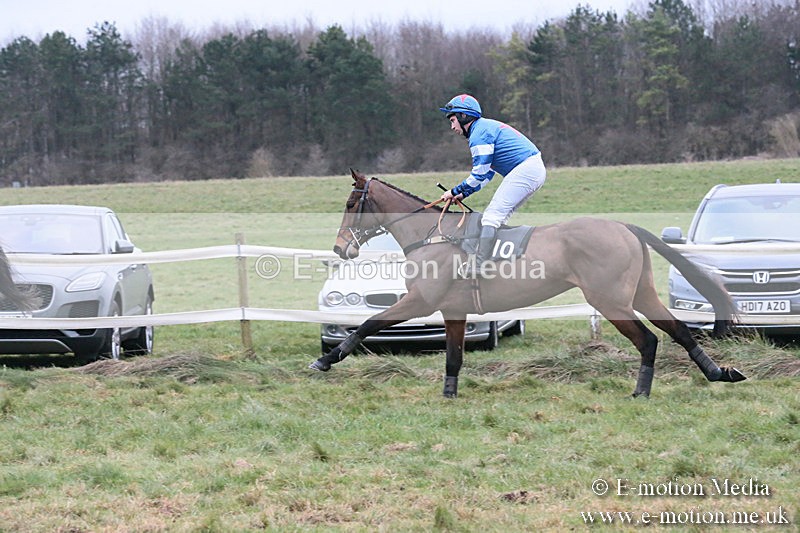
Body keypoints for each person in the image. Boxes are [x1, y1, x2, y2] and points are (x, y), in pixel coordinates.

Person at [439, 94, 546, 277]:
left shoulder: (479, 134)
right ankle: (499, 260)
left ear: (464, 116)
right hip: (531, 169)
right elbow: (488, 174)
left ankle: (480, 265)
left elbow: (479, 173)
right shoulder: (483, 128)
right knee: (498, 218)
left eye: (453, 120)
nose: (452, 127)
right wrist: (463, 195)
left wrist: (455, 191)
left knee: (491, 217)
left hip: (527, 169)